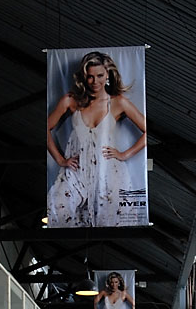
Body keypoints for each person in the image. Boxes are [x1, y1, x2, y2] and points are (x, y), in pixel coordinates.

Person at [47, 51, 147, 228]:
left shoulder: (118, 102)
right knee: (59, 212)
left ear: (107, 74)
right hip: (77, 171)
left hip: (108, 173)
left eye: (100, 76)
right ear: (84, 77)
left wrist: (124, 154)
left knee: (108, 224)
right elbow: (46, 128)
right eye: (90, 76)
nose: (95, 82)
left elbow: (147, 131)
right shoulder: (70, 101)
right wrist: (61, 160)